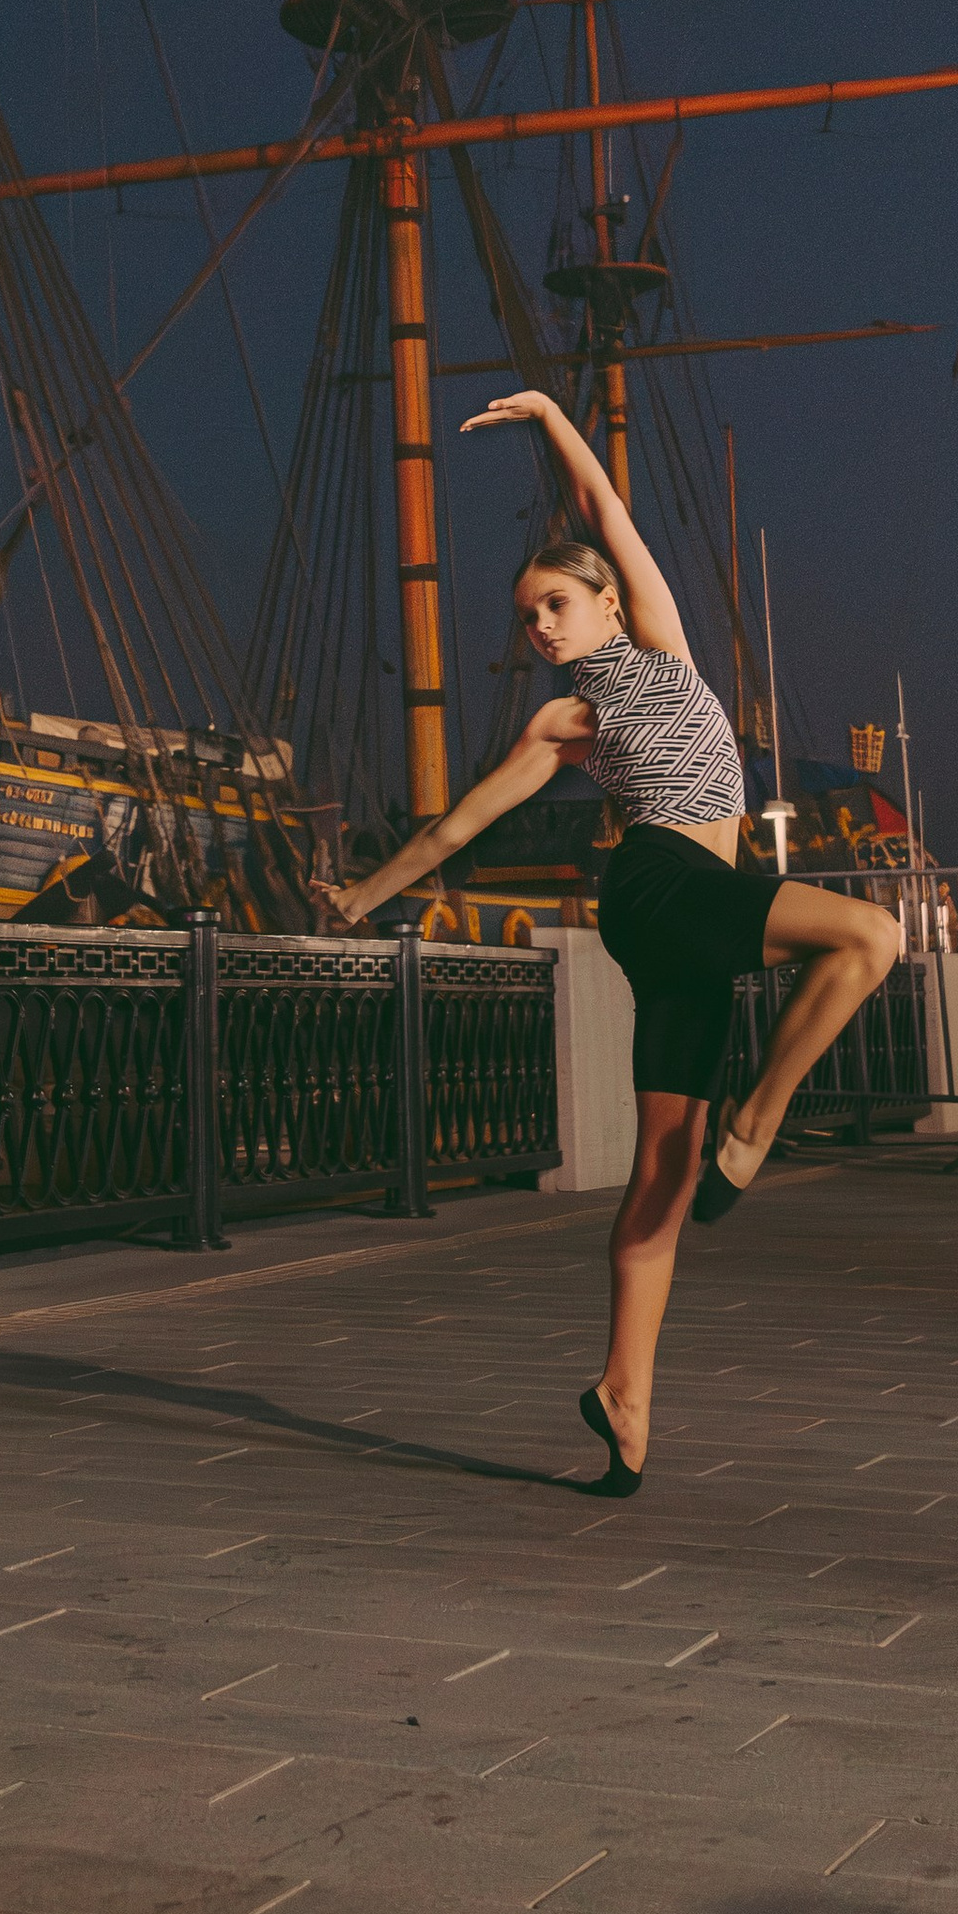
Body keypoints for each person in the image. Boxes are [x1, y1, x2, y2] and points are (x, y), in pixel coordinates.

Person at [325, 389, 900, 1498]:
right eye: (526, 616)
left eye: (553, 604)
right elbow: (455, 825)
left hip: (693, 902)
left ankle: (622, 1397)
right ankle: (758, 1121)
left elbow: (599, 498)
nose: (538, 627)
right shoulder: (560, 724)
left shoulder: (663, 644)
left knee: (660, 1175)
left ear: (603, 600)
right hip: (656, 884)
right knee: (869, 932)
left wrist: (547, 410)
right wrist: (361, 897)